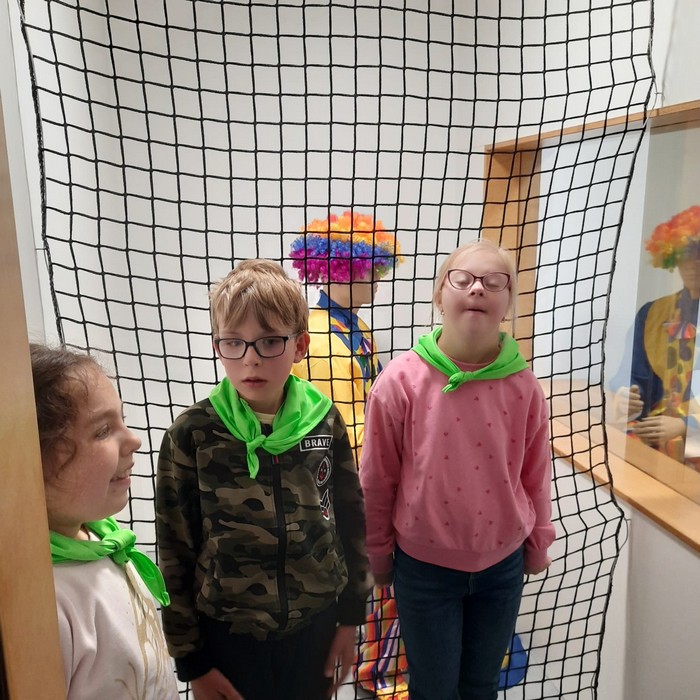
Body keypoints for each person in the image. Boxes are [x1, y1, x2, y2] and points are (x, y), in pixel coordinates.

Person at [156, 259, 372, 700]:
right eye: (234, 342)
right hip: (228, 635)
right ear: (218, 346)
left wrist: (350, 618)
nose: (250, 358)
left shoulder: (325, 421)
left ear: (300, 346)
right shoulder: (191, 434)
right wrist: (192, 661)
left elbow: (351, 521)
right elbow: (174, 550)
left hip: (315, 626)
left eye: (270, 341)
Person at [359, 239, 555, 700]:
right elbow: (377, 481)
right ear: (438, 296)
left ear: (509, 303)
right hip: (424, 570)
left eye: (494, 282)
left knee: (481, 686)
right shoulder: (399, 383)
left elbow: (534, 474)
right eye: (462, 279)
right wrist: (378, 554)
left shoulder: (524, 387)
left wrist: (538, 541)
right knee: (433, 689)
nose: (477, 289)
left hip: (502, 567)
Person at [289, 210, 409, 699]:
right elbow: (340, 424)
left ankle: (375, 671)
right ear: (340, 268)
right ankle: (373, 675)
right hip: (343, 485)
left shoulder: (354, 327)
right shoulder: (320, 336)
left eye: (379, 269)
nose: (377, 280)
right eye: (370, 270)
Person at [30, 343, 178, 700]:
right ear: (32, 457)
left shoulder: (103, 540)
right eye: (102, 431)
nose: (134, 440)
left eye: (121, 420)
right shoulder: (42, 599)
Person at [613, 205, 700, 467]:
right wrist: (627, 395)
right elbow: (632, 375)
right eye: (687, 253)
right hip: (652, 438)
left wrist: (685, 424)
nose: (695, 263)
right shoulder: (652, 313)